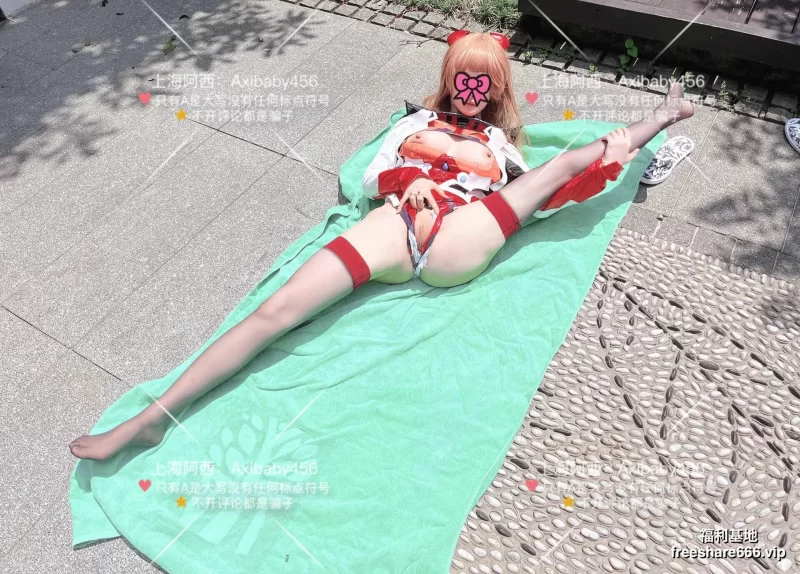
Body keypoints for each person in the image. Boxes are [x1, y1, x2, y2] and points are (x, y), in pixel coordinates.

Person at [69, 31, 693, 461]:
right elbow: (371, 177)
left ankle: (662, 119)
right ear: (449, 80)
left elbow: (548, 192)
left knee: (558, 169)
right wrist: (407, 179)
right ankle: (151, 419)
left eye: (483, 82)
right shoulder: (413, 124)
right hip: (398, 225)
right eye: (463, 77)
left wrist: (619, 147)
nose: (471, 88)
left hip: (464, 235)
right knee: (276, 311)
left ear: (496, 90)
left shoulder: (503, 149)